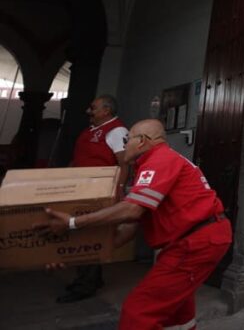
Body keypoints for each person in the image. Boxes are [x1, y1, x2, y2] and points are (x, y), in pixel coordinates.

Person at [38, 119, 232, 329]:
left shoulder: (160, 160)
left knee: (138, 312)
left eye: (126, 139)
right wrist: (72, 253)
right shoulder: (153, 164)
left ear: (142, 141)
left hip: (196, 243)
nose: (123, 145)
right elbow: (130, 227)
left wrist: (73, 223)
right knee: (177, 311)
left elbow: (132, 210)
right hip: (191, 241)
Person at [57, 94, 129, 303]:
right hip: (81, 188)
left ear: (106, 111)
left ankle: (84, 285)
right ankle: (92, 279)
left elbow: (124, 163)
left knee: (87, 235)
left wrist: (119, 189)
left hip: (98, 191)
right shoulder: (91, 130)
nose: (89, 111)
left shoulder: (116, 130)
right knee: (86, 232)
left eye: (93, 107)